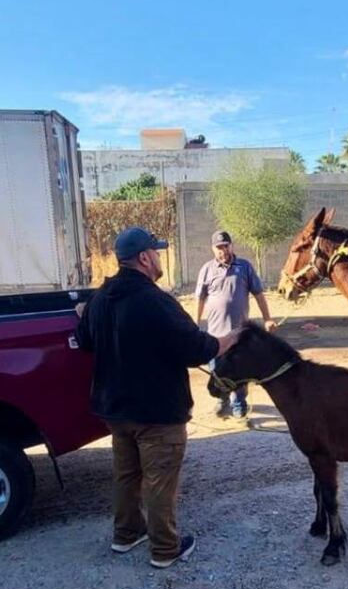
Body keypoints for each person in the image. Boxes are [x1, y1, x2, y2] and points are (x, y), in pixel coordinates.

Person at [75, 226, 237, 569]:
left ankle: (126, 534)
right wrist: (230, 340)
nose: (159, 258)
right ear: (145, 258)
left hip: (115, 411)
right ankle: (165, 549)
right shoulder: (156, 300)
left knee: (126, 475)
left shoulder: (99, 299)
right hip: (157, 413)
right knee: (159, 482)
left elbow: (85, 341)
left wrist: (86, 315)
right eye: (156, 252)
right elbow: (196, 349)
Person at [194, 230, 277, 418]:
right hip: (215, 334)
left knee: (240, 370)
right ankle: (222, 400)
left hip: (239, 333)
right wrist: (195, 323)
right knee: (216, 370)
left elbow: (259, 295)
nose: (223, 250)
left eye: (226, 246)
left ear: (231, 246)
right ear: (213, 249)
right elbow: (200, 299)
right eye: (219, 247)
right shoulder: (207, 269)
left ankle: (239, 403)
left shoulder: (245, 267)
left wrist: (267, 319)